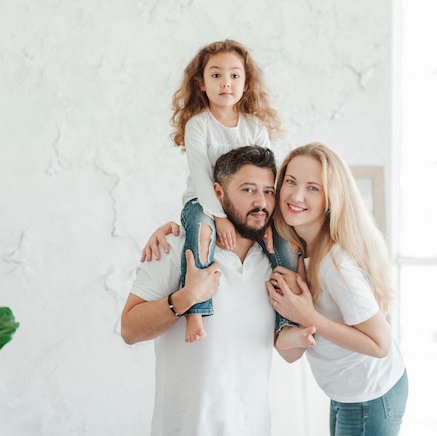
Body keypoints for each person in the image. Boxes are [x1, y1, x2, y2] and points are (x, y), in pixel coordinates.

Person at [122, 146, 280, 436]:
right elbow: (129, 329)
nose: (261, 202)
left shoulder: (274, 262)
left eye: (269, 192)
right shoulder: (175, 248)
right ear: (217, 194)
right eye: (248, 190)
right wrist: (185, 298)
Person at [150, 39, 297, 343]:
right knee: (200, 234)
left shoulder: (254, 126)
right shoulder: (198, 126)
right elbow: (201, 176)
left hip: (248, 205)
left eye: (234, 75)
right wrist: (219, 217)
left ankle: (288, 322)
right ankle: (196, 310)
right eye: (216, 75)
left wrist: (269, 218)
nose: (225, 83)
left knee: (282, 243)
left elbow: (268, 174)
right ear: (201, 84)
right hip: (204, 203)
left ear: (246, 83)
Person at [266, 142, 408, 435]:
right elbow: (291, 353)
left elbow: (380, 345)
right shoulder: (300, 252)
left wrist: (311, 318)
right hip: (346, 392)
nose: (296, 195)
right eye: (290, 182)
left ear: (331, 198)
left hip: (371, 395)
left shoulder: (335, 265)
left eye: (313, 188)